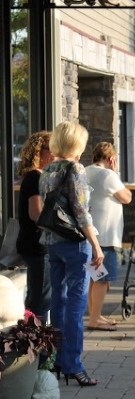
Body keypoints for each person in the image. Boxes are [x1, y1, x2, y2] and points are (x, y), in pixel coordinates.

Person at [39, 121, 104, 387]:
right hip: (75, 243)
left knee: (58, 302)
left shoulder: (47, 169)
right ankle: (74, 365)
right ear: (76, 143)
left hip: (52, 241)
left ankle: (56, 361)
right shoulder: (75, 168)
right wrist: (96, 244)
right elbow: (80, 211)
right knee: (76, 307)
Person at [85, 142, 132, 331]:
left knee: (93, 279)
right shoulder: (108, 175)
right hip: (106, 236)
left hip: (91, 234)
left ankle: (95, 315)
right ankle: (94, 319)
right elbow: (127, 197)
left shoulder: (85, 171)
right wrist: (115, 171)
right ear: (111, 158)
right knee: (102, 280)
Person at [16, 131, 53, 322]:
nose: (55, 154)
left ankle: (32, 340)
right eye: (52, 149)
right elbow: (35, 213)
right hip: (38, 245)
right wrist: (59, 225)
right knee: (40, 299)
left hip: (34, 243)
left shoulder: (36, 176)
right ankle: (34, 343)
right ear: (41, 151)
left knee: (39, 296)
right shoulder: (36, 177)